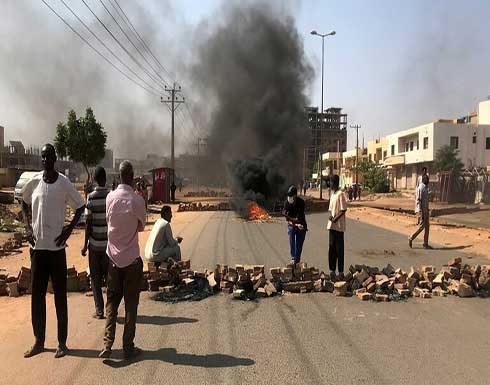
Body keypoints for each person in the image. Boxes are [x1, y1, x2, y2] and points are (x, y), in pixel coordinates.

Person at [22, 144, 85, 359]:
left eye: (49, 156)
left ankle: (61, 343)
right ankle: (39, 341)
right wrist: (28, 227)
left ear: (55, 158)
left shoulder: (64, 183)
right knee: (37, 298)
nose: (46, 159)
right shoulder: (35, 181)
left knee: (60, 297)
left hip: (57, 250)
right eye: (43, 156)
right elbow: (23, 201)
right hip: (38, 250)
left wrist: (67, 232)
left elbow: (80, 207)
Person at [99, 160, 146, 360]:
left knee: (111, 302)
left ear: (119, 176)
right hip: (131, 260)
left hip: (113, 259)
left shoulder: (110, 198)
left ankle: (108, 344)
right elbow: (142, 227)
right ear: (132, 177)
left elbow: (110, 222)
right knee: (131, 306)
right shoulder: (137, 200)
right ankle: (128, 347)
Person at [81, 166, 110, 320]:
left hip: (94, 245)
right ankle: (111, 309)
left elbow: (87, 223)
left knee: (96, 279)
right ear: (105, 179)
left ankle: (99, 310)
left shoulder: (91, 197)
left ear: (95, 180)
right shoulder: (111, 196)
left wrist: (85, 245)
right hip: (108, 246)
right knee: (110, 279)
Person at [327, 175, 347, 281]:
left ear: (334, 183)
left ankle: (341, 272)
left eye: (330, 182)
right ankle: (332, 271)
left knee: (339, 250)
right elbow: (331, 210)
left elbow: (343, 210)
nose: (329, 184)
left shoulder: (341, 194)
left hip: (339, 227)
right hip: (331, 226)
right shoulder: (332, 194)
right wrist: (331, 217)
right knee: (331, 248)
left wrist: (335, 218)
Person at [282, 185, 307, 265]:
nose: (289, 197)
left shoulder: (301, 203)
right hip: (292, 225)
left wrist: (288, 217)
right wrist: (289, 219)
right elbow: (288, 220)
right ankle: (293, 257)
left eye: (291, 196)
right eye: (288, 196)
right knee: (291, 232)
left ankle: (297, 260)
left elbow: (299, 219)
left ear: (295, 196)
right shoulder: (287, 203)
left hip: (301, 225)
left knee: (299, 245)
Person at [409, 174, 431, 249]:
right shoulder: (421, 188)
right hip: (422, 210)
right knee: (422, 226)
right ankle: (411, 237)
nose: (428, 181)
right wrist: (420, 211)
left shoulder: (425, 188)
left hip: (426, 209)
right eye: (427, 180)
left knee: (427, 226)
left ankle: (425, 243)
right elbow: (418, 200)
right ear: (424, 180)